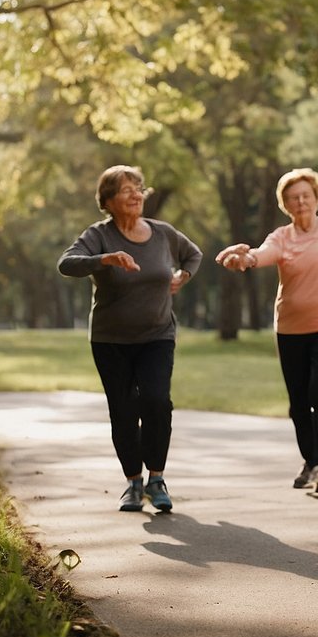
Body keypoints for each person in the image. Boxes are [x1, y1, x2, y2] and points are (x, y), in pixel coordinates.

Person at [57, 165, 202, 513]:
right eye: (126, 190)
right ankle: (133, 484)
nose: (136, 195)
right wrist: (103, 259)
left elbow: (193, 255)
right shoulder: (99, 235)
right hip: (111, 340)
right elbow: (67, 263)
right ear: (108, 200)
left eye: (139, 188)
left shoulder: (163, 233)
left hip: (157, 334)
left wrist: (183, 275)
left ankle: (156, 478)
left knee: (156, 401)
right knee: (123, 411)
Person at [215, 168, 318, 494]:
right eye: (293, 197)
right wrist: (245, 258)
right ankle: (312, 461)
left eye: (306, 195)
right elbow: (262, 255)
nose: (301, 201)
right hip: (291, 328)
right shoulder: (282, 237)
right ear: (285, 204)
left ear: (317, 197)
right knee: (298, 401)